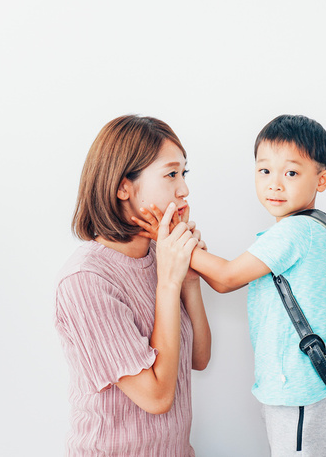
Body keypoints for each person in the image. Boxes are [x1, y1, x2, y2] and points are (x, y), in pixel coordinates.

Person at [135, 114, 326, 456]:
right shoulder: (294, 231)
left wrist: (170, 236)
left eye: (291, 173)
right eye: (265, 170)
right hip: (293, 390)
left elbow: (227, 277)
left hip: (301, 391)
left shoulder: (295, 232)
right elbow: (222, 279)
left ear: (322, 180)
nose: (275, 184)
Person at [55, 115, 211, 456]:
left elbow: (198, 358)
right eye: (171, 174)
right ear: (122, 186)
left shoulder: (160, 255)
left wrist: (188, 279)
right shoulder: (86, 281)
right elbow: (156, 397)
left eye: (184, 174)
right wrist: (168, 283)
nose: (184, 189)